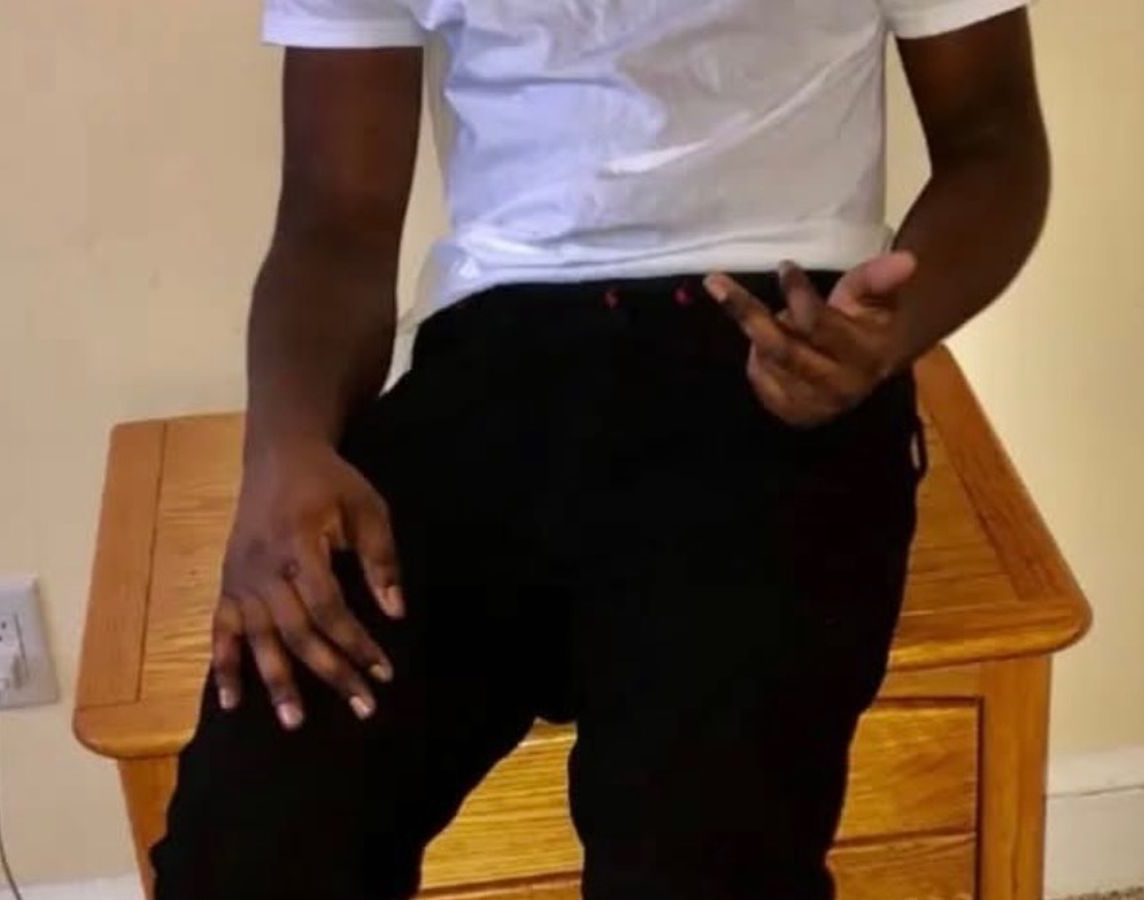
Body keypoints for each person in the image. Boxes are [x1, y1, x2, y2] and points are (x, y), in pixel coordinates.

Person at [150, 1, 1049, 897]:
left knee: (701, 871)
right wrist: (284, 447)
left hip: (773, 358)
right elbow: (334, 219)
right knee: (246, 854)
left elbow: (993, 144)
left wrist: (887, 335)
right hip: (489, 369)